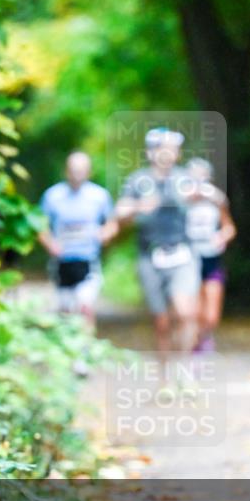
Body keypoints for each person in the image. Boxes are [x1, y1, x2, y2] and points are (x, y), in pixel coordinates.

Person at [115, 128, 199, 356]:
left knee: (185, 312)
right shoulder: (138, 181)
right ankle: (165, 377)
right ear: (151, 152)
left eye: (173, 149)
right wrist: (138, 207)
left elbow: (207, 196)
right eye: (163, 148)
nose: (169, 153)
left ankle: (185, 368)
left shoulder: (184, 179)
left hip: (183, 252)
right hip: (149, 255)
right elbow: (120, 212)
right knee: (161, 321)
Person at [38, 151, 117, 330]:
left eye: (81, 170)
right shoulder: (52, 196)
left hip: (88, 260)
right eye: (73, 170)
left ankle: (86, 350)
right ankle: (68, 350)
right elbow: (39, 225)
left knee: (85, 306)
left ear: (89, 172)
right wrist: (50, 244)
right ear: (66, 171)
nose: (77, 174)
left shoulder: (99, 196)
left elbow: (112, 223)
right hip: (61, 261)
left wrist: (104, 234)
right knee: (65, 310)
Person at [184, 157, 236, 353]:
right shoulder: (181, 200)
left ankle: (205, 337)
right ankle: (194, 349)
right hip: (189, 260)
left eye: (202, 175)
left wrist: (222, 237)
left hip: (212, 258)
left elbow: (229, 227)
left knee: (211, 315)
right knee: (194, 311)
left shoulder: (216, 199)